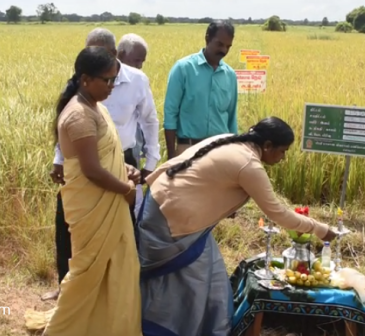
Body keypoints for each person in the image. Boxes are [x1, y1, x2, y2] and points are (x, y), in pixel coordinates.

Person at [136, 117, 337, 336]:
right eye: (282, 151)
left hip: (167, 206)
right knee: (193, 284)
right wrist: (320, 229)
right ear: (267, 146)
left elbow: (205, 177)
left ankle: (215, 330)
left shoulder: (232, 141)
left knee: (215, 281)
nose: (283, 158)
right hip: (172, 221)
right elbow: (278, 213)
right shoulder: (248, 165)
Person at [24, 46, 142, 336]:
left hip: (107, 200)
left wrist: (124, 169)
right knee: (86, 273)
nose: (112, 86)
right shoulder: (78, 116)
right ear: (86, 79)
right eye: (107, 80)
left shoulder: (95, 106)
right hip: (94, 206)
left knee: (115, 270)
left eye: (115, 80)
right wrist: (126, 188)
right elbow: (90, 169)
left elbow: (104, 157)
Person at [43, 28, 160, 301]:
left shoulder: (135, 81)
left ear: (112, 54)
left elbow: (150, 121)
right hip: (89, 171)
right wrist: (59, 159)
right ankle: (71, 289)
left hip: (123, 160)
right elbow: (71, 132)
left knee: (122, 232)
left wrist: (148, 163)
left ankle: (114, 292)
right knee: (70, 230)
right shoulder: (82, 90)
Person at [164, 20, 238, 160]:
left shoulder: (230, 75)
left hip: (220, 151)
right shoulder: (183, 69)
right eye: (220, 44)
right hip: (188, 150)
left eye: (228, 46)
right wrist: (171, 154)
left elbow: (231, 118)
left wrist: (233, 152)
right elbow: (170, 113)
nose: (224, 50)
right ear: (207, 38)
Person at [117, 32, 149, 219]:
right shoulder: (101, 82)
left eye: (142, 61)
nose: (140, 66)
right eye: (137, 60)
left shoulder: (138, 79)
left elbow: (149, 119)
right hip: (110, 155)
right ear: (120, 54)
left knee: (132, 207)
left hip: (132, 153)